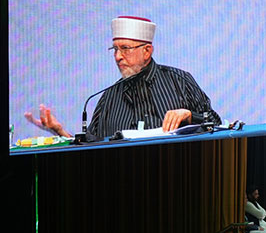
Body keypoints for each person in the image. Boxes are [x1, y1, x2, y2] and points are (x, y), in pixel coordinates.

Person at [25, 16, 221, 142]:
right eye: (115, 49)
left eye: (125, 48)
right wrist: (60, 132)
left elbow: (216, 124)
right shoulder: (108, 97)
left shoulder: (180, 81)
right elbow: (90, 147)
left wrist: (189, 115)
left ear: (147, 51)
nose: (118, 56)